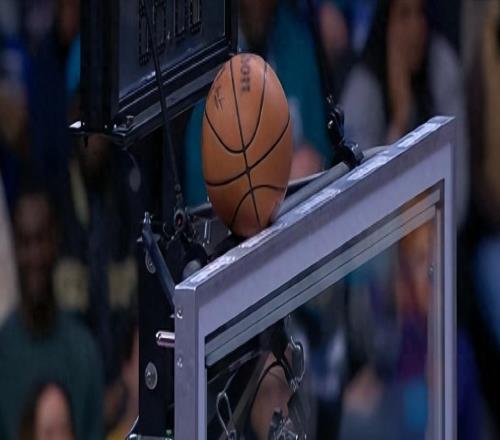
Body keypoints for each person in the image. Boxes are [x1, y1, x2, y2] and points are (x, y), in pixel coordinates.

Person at [183, 0, 334, 207]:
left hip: (301, 208)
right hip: (236, 220)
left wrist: (310, 162)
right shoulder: (210, 59)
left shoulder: (295, 39)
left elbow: (321, 145)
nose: (258, 4)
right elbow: (198, 193)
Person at [341, 0, 469, 223]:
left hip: (440, 230)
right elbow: (366, 208)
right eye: (404, 15)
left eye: (420, 13)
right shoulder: (361, 92)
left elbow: (458, 196)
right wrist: (400, 119)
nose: (416, 27)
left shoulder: (441, 64)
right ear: (385, 24)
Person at [0, 182, 103, 440]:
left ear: (55, 242)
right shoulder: (3, 350)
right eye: (25, 242)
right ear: (14, 249)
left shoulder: (83, 351)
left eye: (41, 239)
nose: (34, 255)